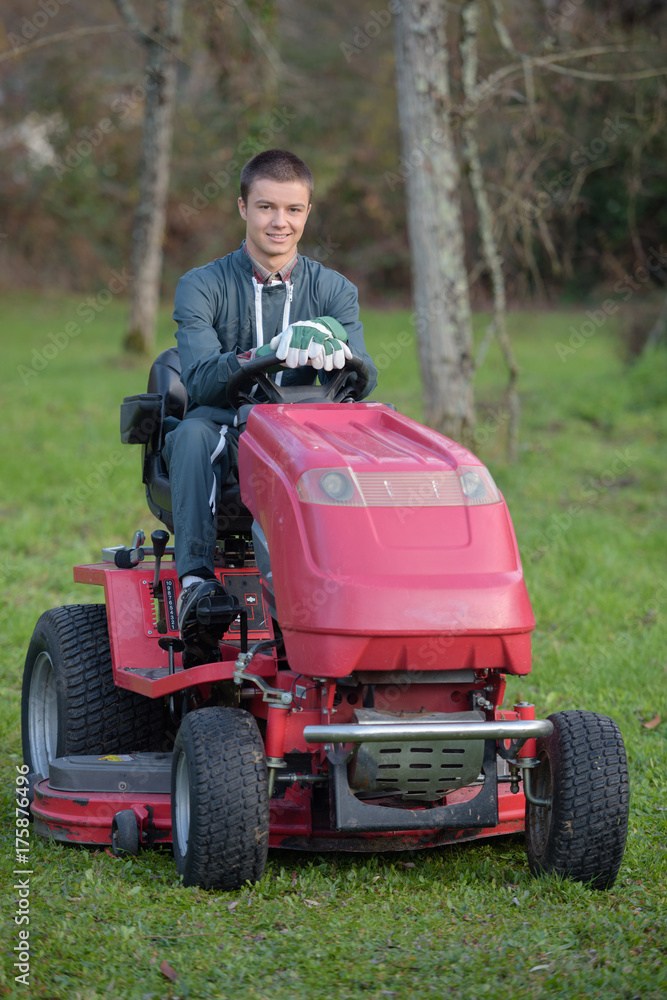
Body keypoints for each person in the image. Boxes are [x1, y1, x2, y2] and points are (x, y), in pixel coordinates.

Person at [164, 148, 378, 662]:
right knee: (190, 433)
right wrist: (262, 354)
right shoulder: (201, 285)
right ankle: (195, 579)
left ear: (307, 212)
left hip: (307, 436)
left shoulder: (335, 290)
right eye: (265, 207)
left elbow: (364, 378)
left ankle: (363, 584)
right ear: (243, 208)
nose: (279, 222)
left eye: (293, 209)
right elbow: (198, 379)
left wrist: (342, 352)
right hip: (228, 427)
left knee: (377, 436)